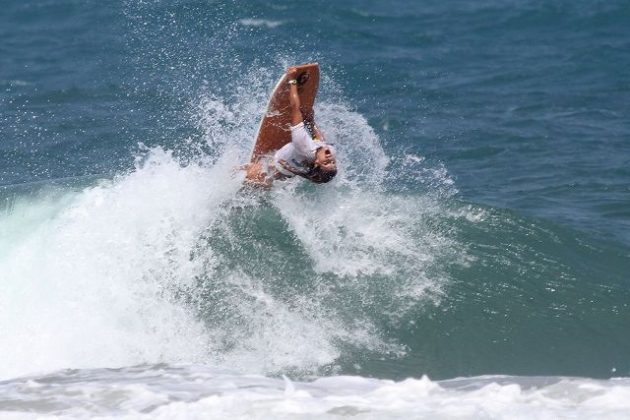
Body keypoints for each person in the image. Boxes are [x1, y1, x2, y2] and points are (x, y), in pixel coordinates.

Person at [245, 67, 337, 187]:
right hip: (290, 170)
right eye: (333, 162)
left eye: (326, 162)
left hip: (274, 167)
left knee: (250, 176)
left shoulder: (302, 144)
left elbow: (295, 108)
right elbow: (319, 141)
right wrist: (311, 122)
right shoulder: (328, 151)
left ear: (317, 163)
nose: (330, 157)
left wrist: (292, 81)